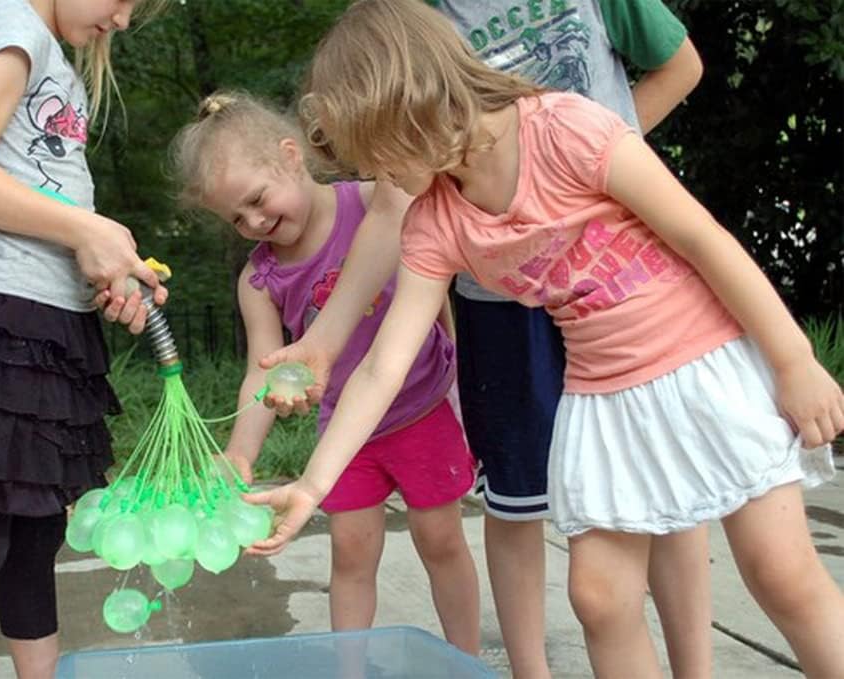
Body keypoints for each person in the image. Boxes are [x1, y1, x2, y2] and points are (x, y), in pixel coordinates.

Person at [246, 1, 844, 677]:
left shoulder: (566, 128)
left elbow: (700, 237)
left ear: (412, 104)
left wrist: (793, 360)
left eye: (379, 154)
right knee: (599, 595)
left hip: (700, 362)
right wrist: (312, 481)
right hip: (603, 397)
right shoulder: (437, 221)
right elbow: (382, 366)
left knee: (779, 572)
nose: (378, 177)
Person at [0, 1, 168, 677]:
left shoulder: (49, 52)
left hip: (47, 322)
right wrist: (86, 231)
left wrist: (102, 267)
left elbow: (41, 196)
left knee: (34, 534)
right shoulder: (12, 25)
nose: (124, 20)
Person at [170, 91, 481, 653]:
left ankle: (466, 658)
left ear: (291, 156)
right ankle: (349, 669)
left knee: (440, 540)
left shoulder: (374, 205)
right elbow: (260, 373)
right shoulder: (258, 280)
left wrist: (455, 366)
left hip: (422, 410)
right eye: (236, 218)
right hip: (346, 432)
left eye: (258, 200)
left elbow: (436, 288)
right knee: (351, 553)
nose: (254, 221)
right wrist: (241, 455)